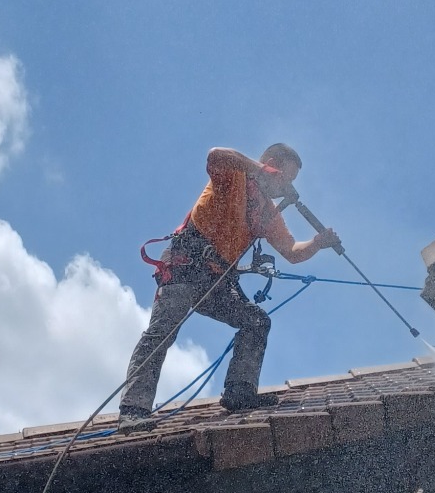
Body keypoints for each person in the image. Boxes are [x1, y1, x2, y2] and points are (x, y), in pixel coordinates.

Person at [119, 143, 341, 422]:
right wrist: (260, 169)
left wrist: (318, 243)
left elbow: (292, 252)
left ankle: (239, 392)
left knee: (256, 322)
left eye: (292, 182)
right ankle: (133, 409)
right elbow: (214, 155)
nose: (287, 186)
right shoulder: (232, 175)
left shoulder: (266, 212)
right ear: (271, 164)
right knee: (164, 328)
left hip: (218, 280)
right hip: (185, 264)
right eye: (287, 177)